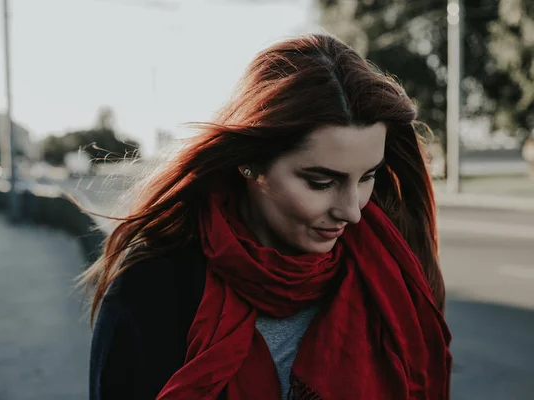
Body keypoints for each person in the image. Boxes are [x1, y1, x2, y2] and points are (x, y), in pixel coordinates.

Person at [84, 33, 452, 400]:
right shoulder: (151, 289)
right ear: (248, 163)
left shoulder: (392, 272)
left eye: (367, 176)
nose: (352, 211)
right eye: (321, 182)